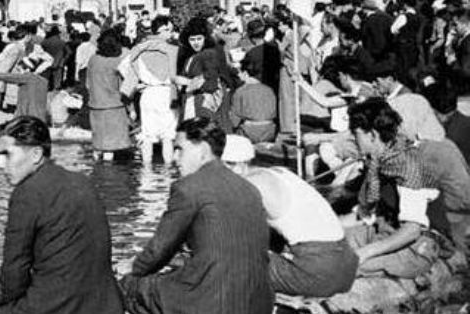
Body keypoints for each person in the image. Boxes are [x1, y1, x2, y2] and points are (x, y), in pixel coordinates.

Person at [0, 116, 123, 314]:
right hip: (106, 306)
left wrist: (11, 306)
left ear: (36, 154)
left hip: (54, 307)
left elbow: (14, 274)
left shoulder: (27, 193)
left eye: (6, 155)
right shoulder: (83, 182)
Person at [119, 118, 273, 314]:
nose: (175, 157)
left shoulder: (188, 188)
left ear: (202, 150)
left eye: (180, 149)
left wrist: (131, 268)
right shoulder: (249, 188)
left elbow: (160, 250)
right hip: (257, 300)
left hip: (209, 300)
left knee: (128, 286)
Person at [221, 134, 358, 297]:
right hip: (344, 261)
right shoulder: (277, 172)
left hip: (319, 269)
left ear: (236, 166)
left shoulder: (251, 185)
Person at [346, 98, 453, 278]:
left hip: (417, 243)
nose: (353, 139)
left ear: (372, 135)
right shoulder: (383, 157)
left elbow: (412, 230)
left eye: (356, 134)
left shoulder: (408, 165)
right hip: (387, 227)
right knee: (329, 247)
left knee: (345, 268)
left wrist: (365, 252)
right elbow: (368, 212)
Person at [119, 16, 179, 165]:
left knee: (147, 136)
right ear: (160, 30)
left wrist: (138, 83)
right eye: (168, 30)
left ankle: (146, 175)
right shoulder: (173, 50)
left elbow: (122, 67)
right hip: (167, 93)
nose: (170, 34)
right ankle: (167, 173)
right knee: (168, 137)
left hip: (148, 93)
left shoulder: (139, 49)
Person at [87, 30, 132, 161]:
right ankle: (109, 176)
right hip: (114, 108)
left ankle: (98, 173)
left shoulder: (93, 60)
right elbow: (128, 84)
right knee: (110, 150)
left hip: (95, 106)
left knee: (98, 146)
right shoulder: (118, 62)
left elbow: (87, 84)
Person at [230, 58, 277, 143]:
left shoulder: (240, 91)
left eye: (239, 72)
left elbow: (234, 119)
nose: (238, 75)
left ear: (245, 73)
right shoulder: (269, 89)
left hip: (250, 132)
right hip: (270, 131)